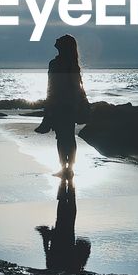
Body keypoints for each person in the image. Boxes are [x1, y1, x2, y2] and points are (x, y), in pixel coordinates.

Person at [34, 34, 90, 175]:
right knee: (68, 136)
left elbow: (51, 86)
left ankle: (65, 167)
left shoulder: (55, 63)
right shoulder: (72, 64)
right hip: (70, 104)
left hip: (59, 104)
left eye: (60, 39)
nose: (56, 39)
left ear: (63, 46)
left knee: (62, 137)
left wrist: (49, 105)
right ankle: (69, 167)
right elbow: (76, 87)